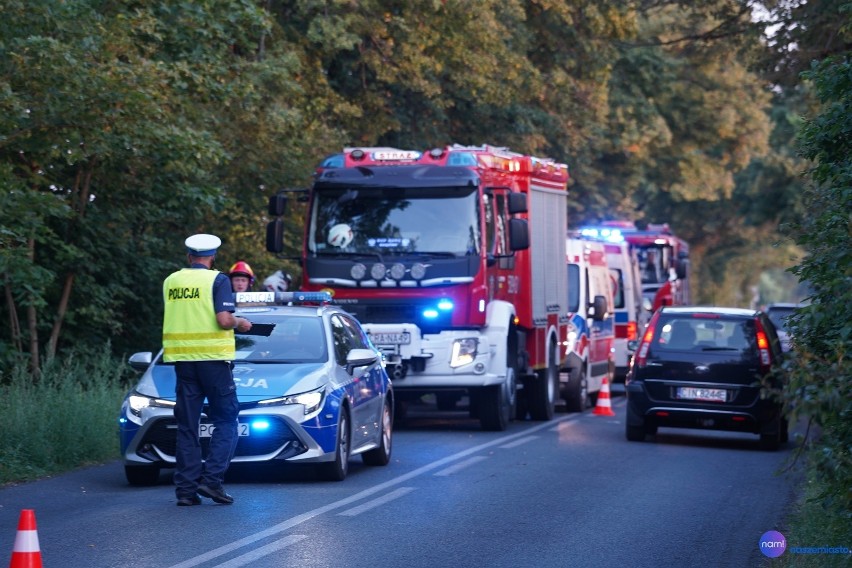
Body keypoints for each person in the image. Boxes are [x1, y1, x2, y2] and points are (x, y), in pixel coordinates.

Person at [162, 233, 252, 506]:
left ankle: (186, 492)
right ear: (212, 257)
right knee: (226, 420)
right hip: (213, 361)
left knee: (187, 426)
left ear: (188, 256)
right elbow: (224, 320)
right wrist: (241, 323)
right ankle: (211, 482)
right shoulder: (218, 279)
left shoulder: (171, 281)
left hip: (183, 362)